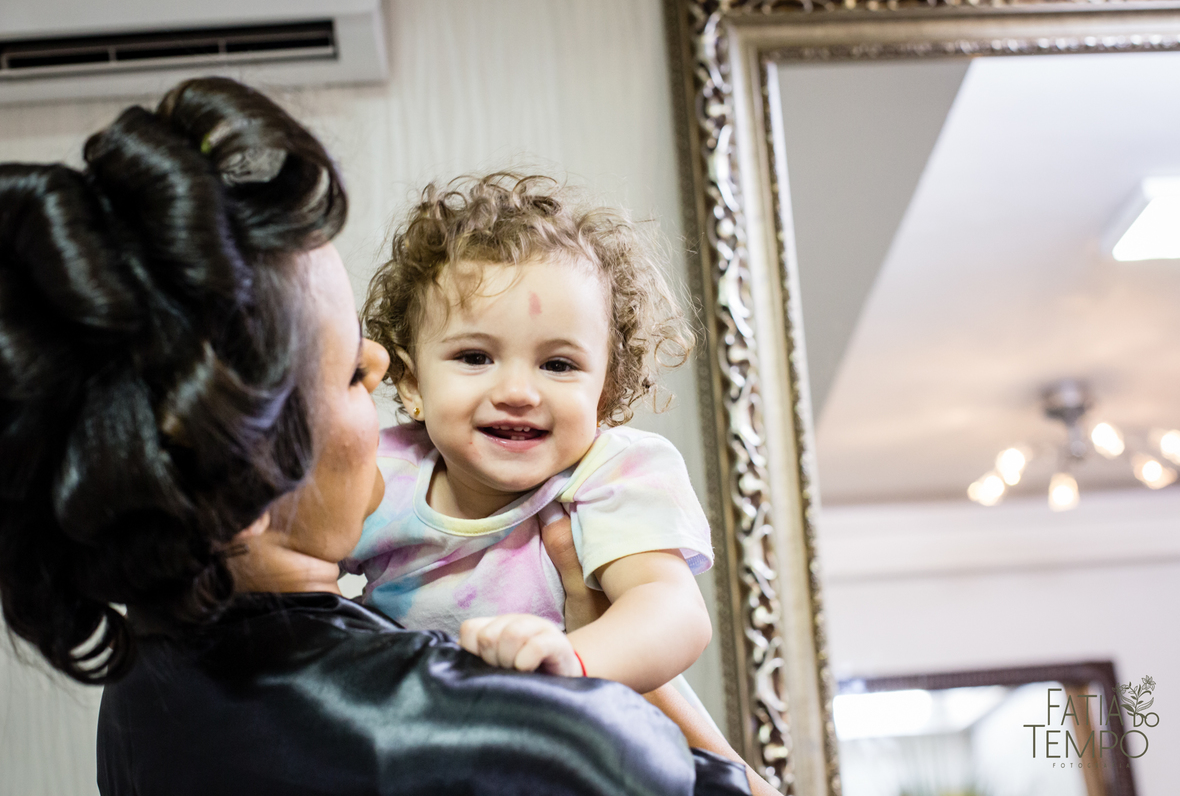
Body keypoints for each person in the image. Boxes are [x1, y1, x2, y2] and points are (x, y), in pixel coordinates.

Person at [0, 76, 751, 796]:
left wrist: (600, 655)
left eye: (558, 362)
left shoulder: (144, 694)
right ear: (244, 465)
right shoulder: (538, 744)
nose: (383, 365)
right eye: (353, 373)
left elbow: (670, 615)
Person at [346, 174, 712, 695]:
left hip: (554, 738)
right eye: (475, 357)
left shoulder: (612, 474)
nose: (518, 391)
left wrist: (572, 660)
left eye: (558, 365)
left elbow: (673, 610)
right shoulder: (381, 470)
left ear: (604, 393)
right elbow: (280, 561)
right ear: (412, 383)